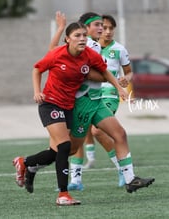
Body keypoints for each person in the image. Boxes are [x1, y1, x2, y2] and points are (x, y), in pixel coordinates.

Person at [16, 11, 154, 195]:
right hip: (83, 103)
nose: (102, 28)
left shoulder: (94, 47)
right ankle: (30, 164)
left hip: (98, 101)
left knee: (120, 134)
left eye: (103, 25)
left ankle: (130, 179)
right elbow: (86, 72)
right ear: (86, 28)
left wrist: (120, 88)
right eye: (97, 25)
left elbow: (104, 71)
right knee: (67, 150)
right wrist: (60, 28)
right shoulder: (84, 46)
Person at [80, 14, 133, 189]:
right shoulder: (87, 45)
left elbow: (129, 72)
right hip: (89, 94)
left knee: (97, 131)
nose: (107, 31)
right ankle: (73, 178)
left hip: (109, 94)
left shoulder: (119, 49)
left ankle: (122, 169)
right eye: (104, 27)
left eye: (110, 28)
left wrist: (125, 80)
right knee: (80, 133)